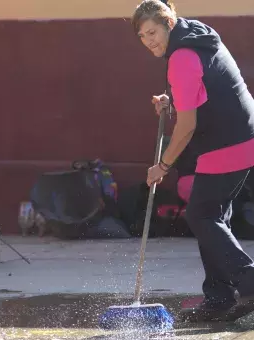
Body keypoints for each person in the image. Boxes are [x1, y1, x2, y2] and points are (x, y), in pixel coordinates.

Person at [131, 0, 254, 321]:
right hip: (242, 137)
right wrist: (173, 97)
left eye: (153, 32)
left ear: (169, 24)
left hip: (226, 142)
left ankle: (248, 282)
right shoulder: (196, 35)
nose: (149, 41)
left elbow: (187, 126)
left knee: (201, 214)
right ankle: (219, 297)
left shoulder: (182, 57)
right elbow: (206, 82)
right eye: (142, 36)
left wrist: (163, 165)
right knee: (213, 216)